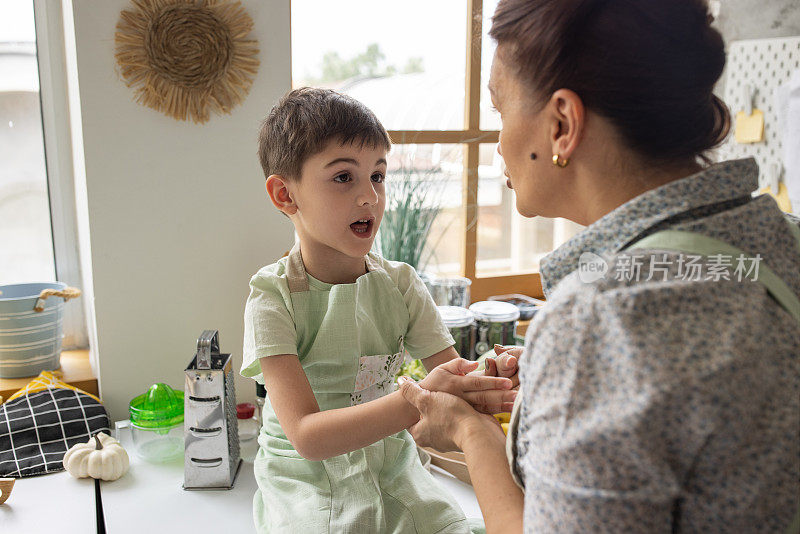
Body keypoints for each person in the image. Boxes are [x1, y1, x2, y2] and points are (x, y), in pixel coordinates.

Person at [399, 0, 800, 532]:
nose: (498, 144)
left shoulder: (599, 325)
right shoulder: (778, 237)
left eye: (499, 111)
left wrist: (471, 434)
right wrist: (561, 382)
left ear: (562, 123)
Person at [240, 87, 519, 533]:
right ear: (285, 195)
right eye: (343, 177)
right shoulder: (272, 297)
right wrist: (418, 401)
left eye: (379, 175)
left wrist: (493, 372)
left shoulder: (401, 284)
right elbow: (307, 436)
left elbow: (454, 375)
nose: (370, 196)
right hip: (306, 483)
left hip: (394, 468)